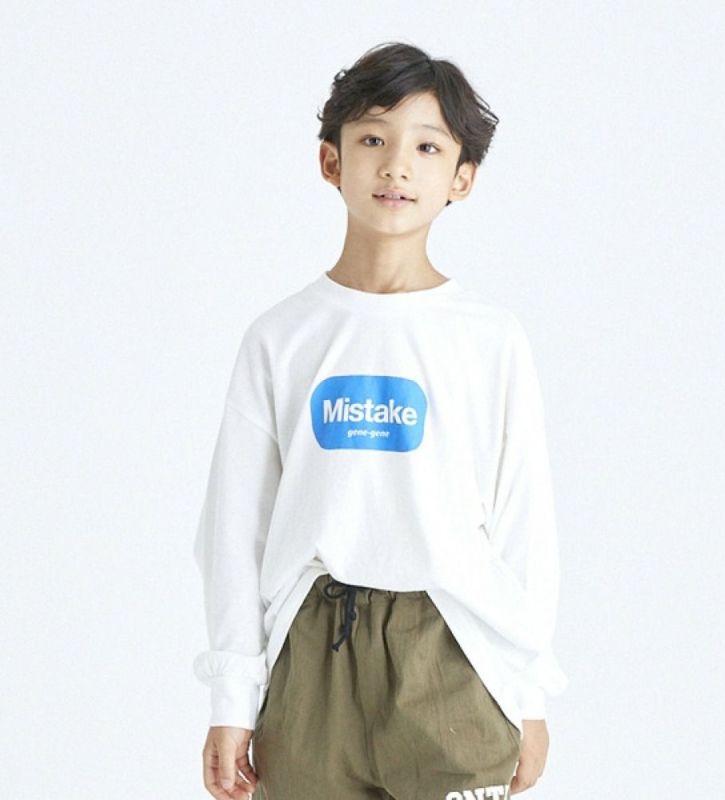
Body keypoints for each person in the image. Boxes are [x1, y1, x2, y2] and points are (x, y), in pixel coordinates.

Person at [192, 40, 568, 800]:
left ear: (461, 178)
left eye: (427, 147)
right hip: (312, 656)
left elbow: (523, 520)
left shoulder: (488, 339)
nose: (396, 166)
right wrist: (232, 697)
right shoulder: (282, 337)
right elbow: (234, 528)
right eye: (372, 139)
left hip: (454, 649)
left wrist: (527, 691)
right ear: (331, 161)